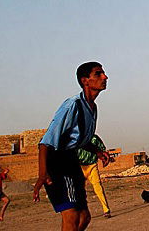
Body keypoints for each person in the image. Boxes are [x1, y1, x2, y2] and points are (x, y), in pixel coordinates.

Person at [33, 62, 111, 231]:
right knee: (72, 216)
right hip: (58, 161)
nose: (105, 77)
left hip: (72, 161)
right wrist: (42, 174)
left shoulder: (92, 108)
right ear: (85, 81)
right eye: (98, 74)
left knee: (84, 217)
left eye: (103, 73)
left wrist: (97, 151)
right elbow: (45, 142)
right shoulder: (72, 105)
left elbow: (80, 140)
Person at [77, 135, 111, 218]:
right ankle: (81, 211)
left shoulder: (94, 138)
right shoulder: (77, 137)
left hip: (92, 166)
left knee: (98, 188)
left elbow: (102, 150)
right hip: (80, 167)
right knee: (79, 191)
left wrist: (104, 157)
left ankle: (106, 209)